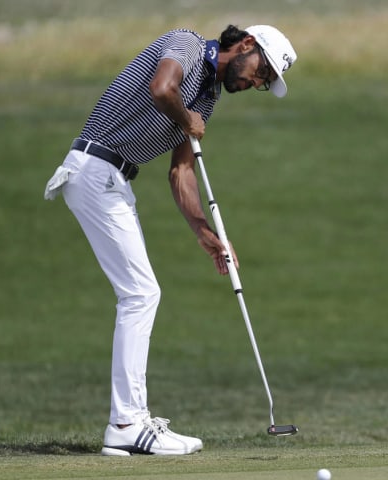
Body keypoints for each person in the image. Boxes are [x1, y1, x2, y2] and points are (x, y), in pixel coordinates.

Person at [43, 24, 297, 456]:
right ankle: (127, 422)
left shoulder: (208, 96)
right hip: (94, 168)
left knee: (141, 294)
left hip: (113, 177)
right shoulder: (188, 45)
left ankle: (128, 421)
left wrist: (205, 232)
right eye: (262, 71)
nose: (258, 82)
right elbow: (162, 88)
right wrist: (186, 119)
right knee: (141, 294)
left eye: (265, 82)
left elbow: (181, 172)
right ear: (247, 45)